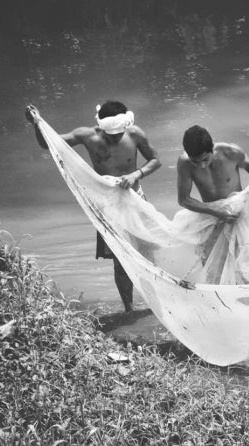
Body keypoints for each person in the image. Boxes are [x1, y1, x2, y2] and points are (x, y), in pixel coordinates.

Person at [25, 101, 162, 313]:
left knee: (148, 254)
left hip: (136, 200)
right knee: (121, 259)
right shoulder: (87, 136)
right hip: (108, 207)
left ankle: (158, 304)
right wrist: (37, 123)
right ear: (101, 127)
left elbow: (155, 160)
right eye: (111, 134)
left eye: (119, 133)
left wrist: (136, 174)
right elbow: (48, 143)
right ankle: (129, 309)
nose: (116, 137)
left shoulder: (135, 134)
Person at [176, 125, 249, 221]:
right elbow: (184, 199)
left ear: (212, 148)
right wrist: (215, 211)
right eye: (195, 161)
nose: (202, 165)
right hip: (211, 213)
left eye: (205, 159)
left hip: (239, 210)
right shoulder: (185, 164)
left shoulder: (230, 152)